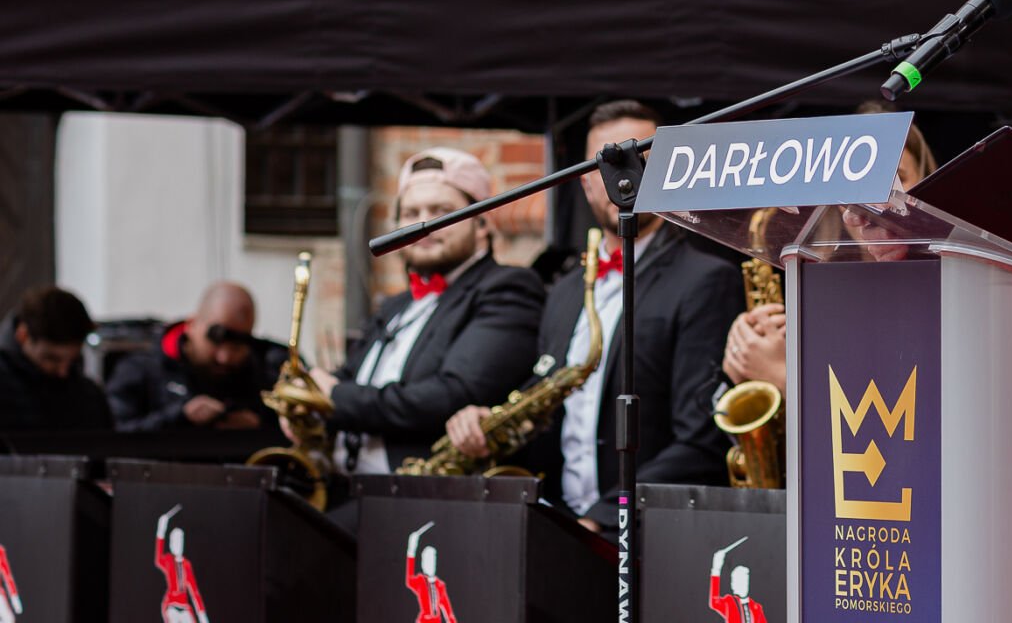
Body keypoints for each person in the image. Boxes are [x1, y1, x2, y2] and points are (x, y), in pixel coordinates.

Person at [443, 101, 744, 530]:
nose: (626, 175)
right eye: (609, 162)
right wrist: (488, 426)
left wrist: (603, 518)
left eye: (641, 159)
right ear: (585, 183)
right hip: (563, 525)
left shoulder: (706, 279)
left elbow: (702, 439)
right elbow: (549, 400)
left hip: (650, 532)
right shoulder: (565, 289)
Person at [309, 146, 545, 473]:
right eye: (410, 213)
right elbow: (352, 375)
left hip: (420, 491)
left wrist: (335, 399)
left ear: (481, 223)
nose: (423, 225)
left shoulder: (507, 288)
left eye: (441, 211)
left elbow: (453, 396)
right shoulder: (397, 305)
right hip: (343, 484)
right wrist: (307, 399)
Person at [720, 104, 938, 393]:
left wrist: (783, 378)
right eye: (858, 179)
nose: (873, 199)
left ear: (925, 181)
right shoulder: (815, 287)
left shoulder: (944, 286)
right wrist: (742, 361)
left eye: (895, 177)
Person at [106, 281, 286, 433]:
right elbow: (113, 436)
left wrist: (258, 428)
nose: (224, 358)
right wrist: (179, 417)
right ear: (192, 325)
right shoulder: (141, 368)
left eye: (237, 347)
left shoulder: (265, 369)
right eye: (215, 341)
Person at [0, 285, 113, 432]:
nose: (63, 371)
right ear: (23, 335)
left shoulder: (89, 395)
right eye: (51, 358)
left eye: (72, 359)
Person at [155, 505, 209, 623]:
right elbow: (158, 559)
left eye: (180, 539)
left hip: (184, 607)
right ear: (170, 543)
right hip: (171, 605)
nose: (178, 543)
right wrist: (161, 529)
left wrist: (202, 615)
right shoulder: (168, 560)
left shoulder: (186, 564)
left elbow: (194, 590)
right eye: (175, 540)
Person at [404, 522, 458, 623]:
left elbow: (448, 612)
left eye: (431, 559)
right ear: (422, 563)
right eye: (426, 560)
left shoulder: (440, 586)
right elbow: (409, 579)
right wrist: (411, 550)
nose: (429, 563)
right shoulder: (420, 581)